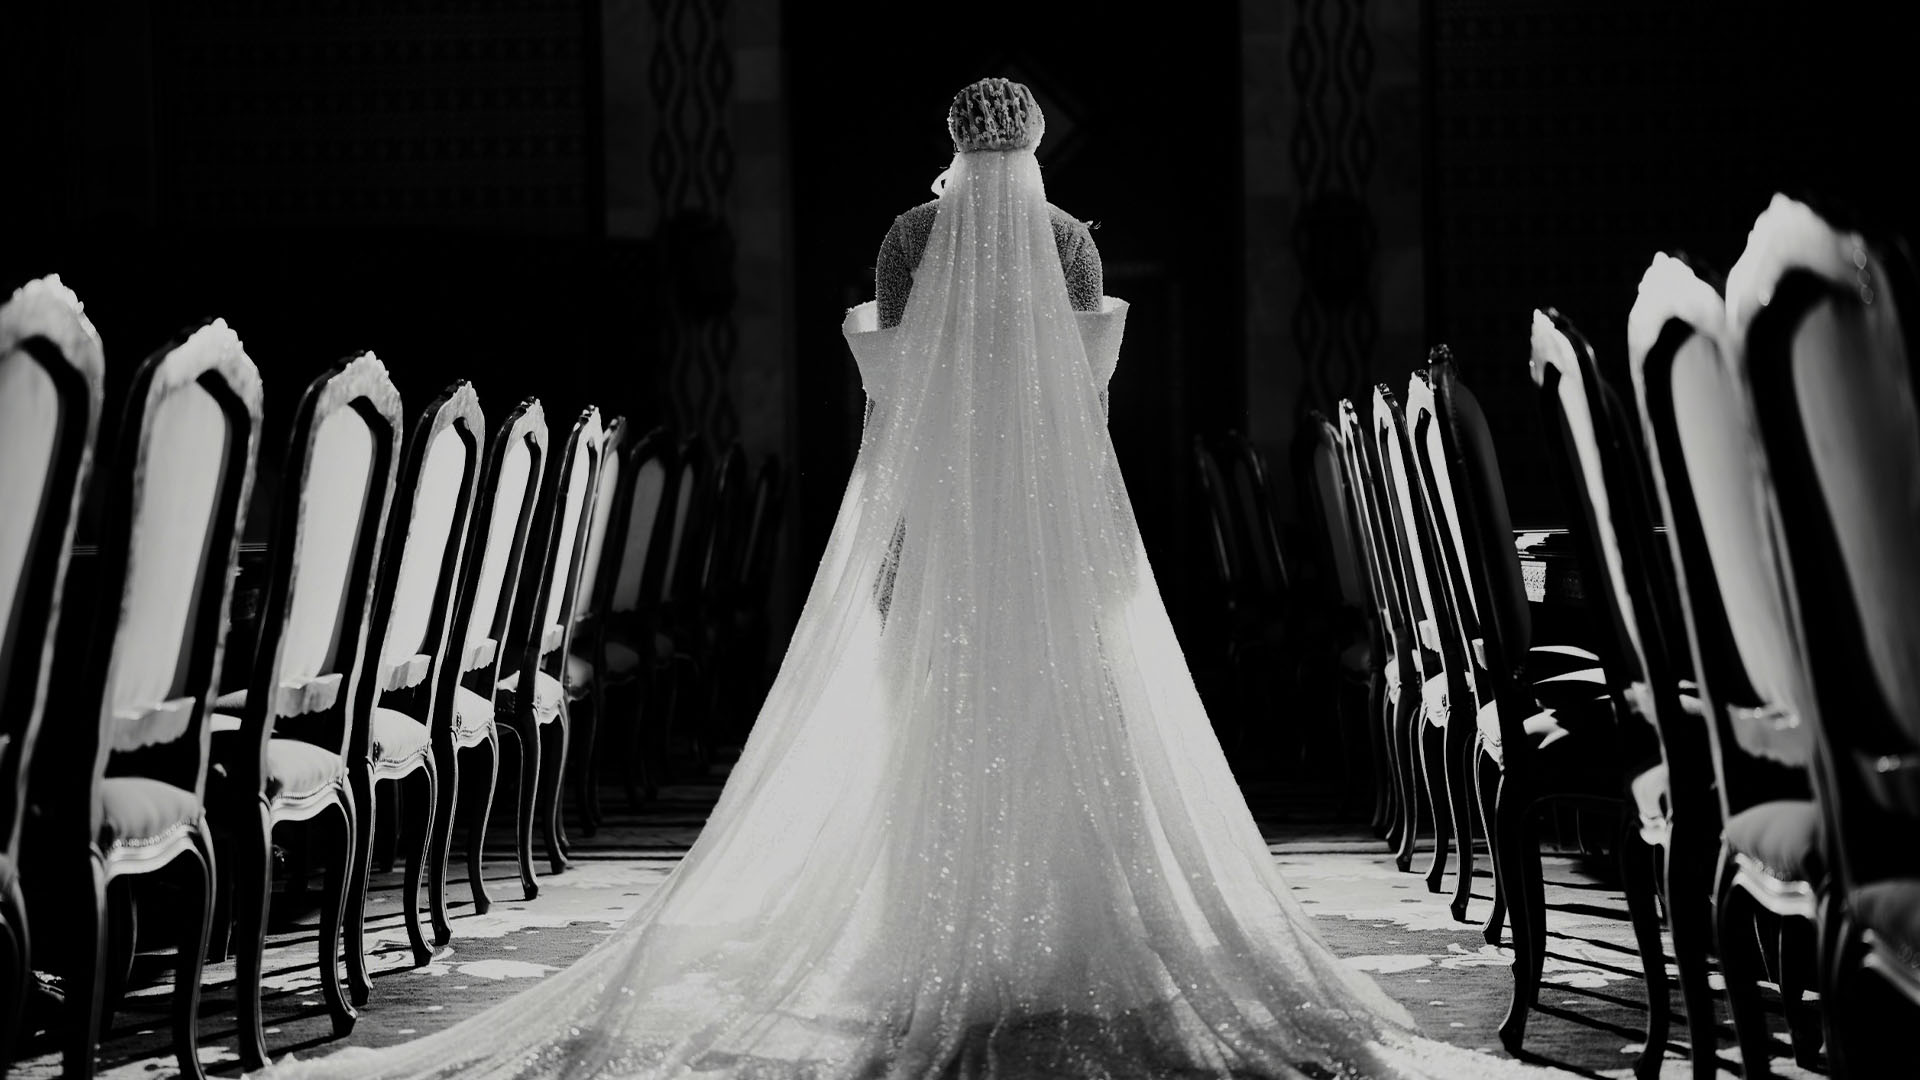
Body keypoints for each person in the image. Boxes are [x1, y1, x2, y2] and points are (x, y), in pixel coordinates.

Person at [256, 77, 1562, 1080]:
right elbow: (1091, 396)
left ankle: (936, 936)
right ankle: (1067, 935)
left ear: (955, 145)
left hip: (939, 533)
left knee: (939, 717)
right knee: (1062, 727)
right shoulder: (1069, 247)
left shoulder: (905, 240)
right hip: (1055, 547)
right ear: (1034, 147)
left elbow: (885, 389)